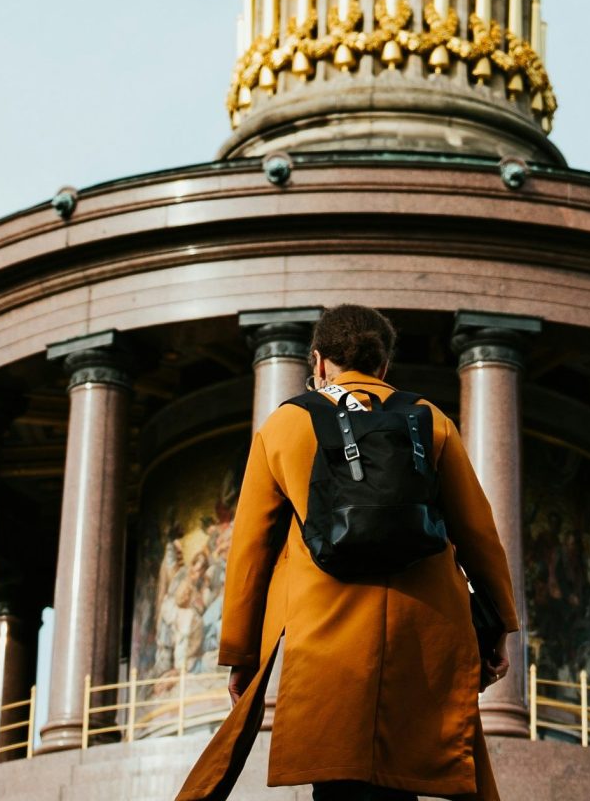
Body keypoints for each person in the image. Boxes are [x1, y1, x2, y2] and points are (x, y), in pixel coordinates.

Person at [176, 303, 522, 801]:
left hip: (327, 638)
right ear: (384, 366)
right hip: (422, 633)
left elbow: (250, 549)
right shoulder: (429, 419)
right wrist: (498, 632)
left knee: (339, 786)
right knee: (403, 779)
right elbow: (478, 535)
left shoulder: (285, 424)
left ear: (318, 362)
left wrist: (242, 656)